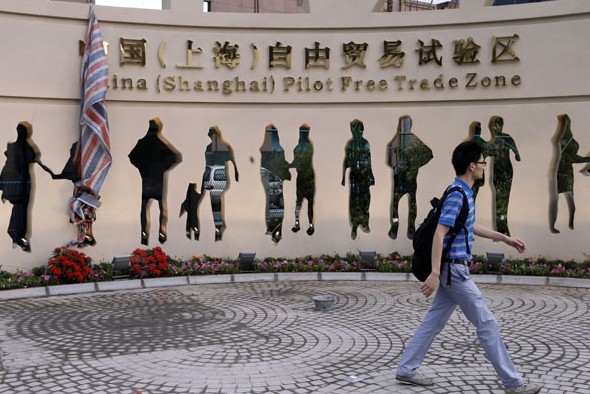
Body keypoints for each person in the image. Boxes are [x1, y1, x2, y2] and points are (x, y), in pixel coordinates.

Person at [395, 141, 541, 394]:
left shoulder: (461, 192)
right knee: (487, 324)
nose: (485, 166)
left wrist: (504, 238)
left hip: (452, 271)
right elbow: (440, 233)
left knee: (433, 322)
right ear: (471, 165)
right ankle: (512, 383)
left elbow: (467, 225)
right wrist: (435, 273)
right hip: (454, 272)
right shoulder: (457, 194)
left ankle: (406, 370)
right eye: (482, 162)